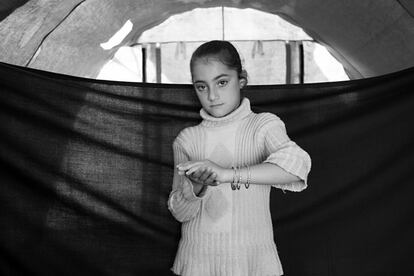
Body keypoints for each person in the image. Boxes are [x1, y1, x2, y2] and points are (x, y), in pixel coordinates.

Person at [167, 40, 311, 276]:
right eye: (201, 87)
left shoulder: (263, 125)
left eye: (222, 82)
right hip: (196, 262)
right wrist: (195, 187)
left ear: (242, 79)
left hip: (252, 261)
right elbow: (179, 213)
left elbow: (297, 166)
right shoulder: (187, 139)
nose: (212, 96)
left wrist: (226, 174)